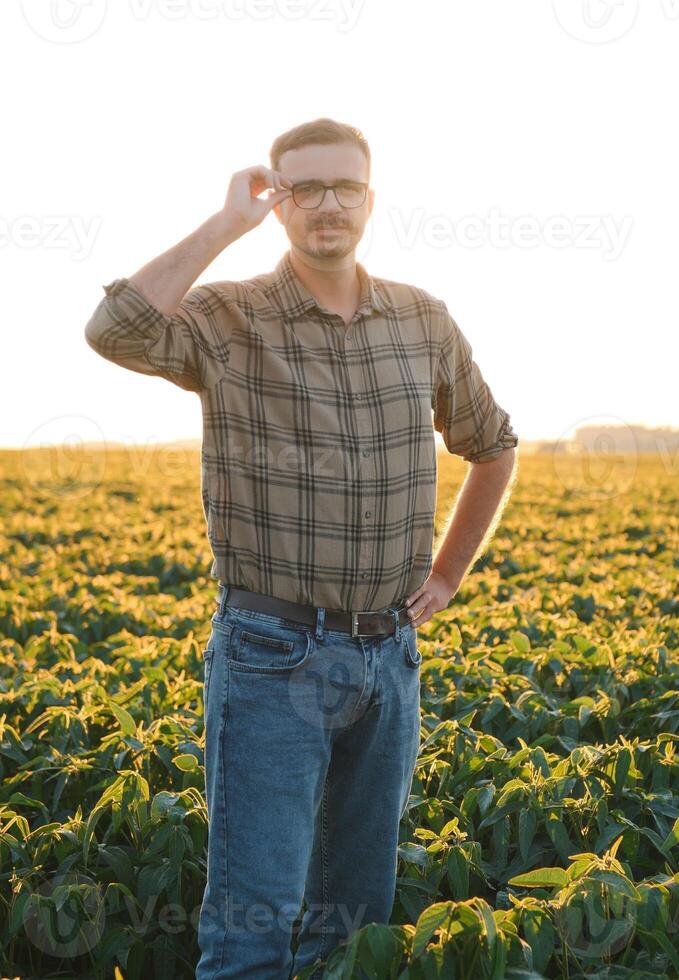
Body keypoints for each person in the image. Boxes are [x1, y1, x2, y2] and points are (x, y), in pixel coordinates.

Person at [83, 117, 518, 979]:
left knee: (353, 925)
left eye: (344, 187)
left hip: (387, 654)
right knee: (251, 930)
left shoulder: (420, 318)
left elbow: (492, 443)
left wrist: (447, 574)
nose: (328, 205)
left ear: (369, 198)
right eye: (305, 188)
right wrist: (223, 224)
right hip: (271, 653)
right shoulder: (227, 316)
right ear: (277, 200)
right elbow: (115, 330)